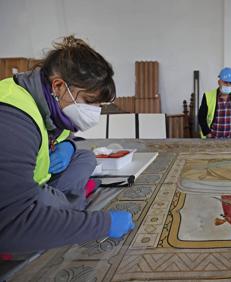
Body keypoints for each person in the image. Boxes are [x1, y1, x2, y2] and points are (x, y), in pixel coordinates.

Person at [0, 36, 134, 254]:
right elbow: (11, 223)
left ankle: (67, 205)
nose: (95, 112)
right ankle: (69, 208)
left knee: (86, 157)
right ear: (59, 86)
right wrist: (103, 224)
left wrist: (69, 146)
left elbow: (62, 136)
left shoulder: (46, 101)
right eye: (90, 101)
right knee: (54, 212)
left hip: (40, 181)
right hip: (24, 202)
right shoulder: (11, 120)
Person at [198, 67, 231, 139]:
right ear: (219, 82)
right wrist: (207, 133)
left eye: (230, 83)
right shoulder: (208, 96)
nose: (228, 85)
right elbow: (201, 116)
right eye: (225, 82)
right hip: (212, 139)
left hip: (230, 138)